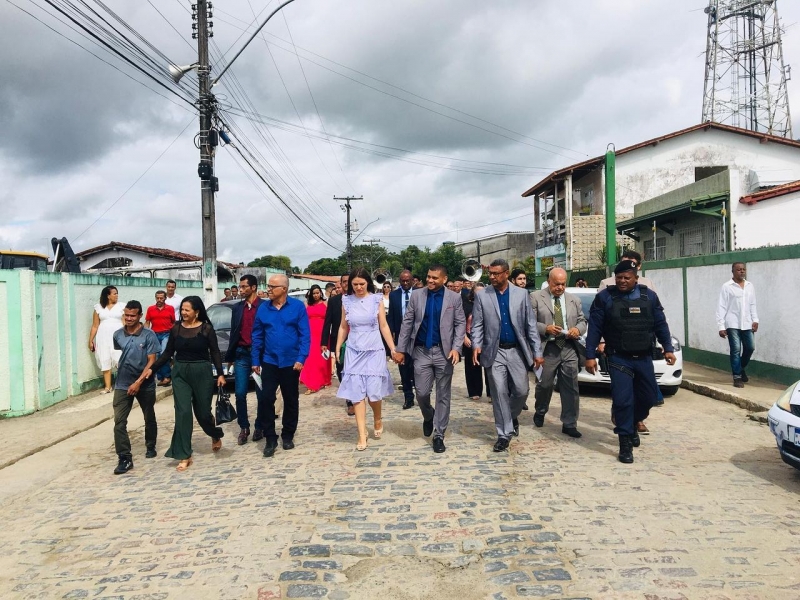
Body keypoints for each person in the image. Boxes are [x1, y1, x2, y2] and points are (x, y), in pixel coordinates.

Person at [585, 260, 676, 464]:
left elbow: (660, 324)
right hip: (618, 357)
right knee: (622, 400)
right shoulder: (605, 297)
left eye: (627, 278)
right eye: (619, 278)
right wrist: (590, 356)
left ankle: (633, 421)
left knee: (650, 397)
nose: (622, 281)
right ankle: (625, 441)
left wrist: (668, 348)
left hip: (643, 357)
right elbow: (595, 328)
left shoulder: (649, 297)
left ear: (636, 278)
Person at [146, 296, 226, 472]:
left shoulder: (206, 329)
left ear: (196, 311)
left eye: (187, 310)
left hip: (202, 372)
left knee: (203, 413)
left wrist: (220, 374)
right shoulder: (176, 328)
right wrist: (152, 369)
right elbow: (167, 353)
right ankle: (184, 454)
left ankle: (214, 434)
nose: (183, 312)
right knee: (182, 412)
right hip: (180, 373)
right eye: (182, 309)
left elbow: (214, 352)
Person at [471, 259, 544, 452]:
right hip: (494, 351)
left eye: (496, 273)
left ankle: (510, 416)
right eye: (490, 273)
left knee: (521, 390)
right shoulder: (482, 296)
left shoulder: (521, 294)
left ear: (506, 273)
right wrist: (476, 345)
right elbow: (477, 324)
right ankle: (504, 434)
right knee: (499, 392)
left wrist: (537, 352)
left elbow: (530, 325)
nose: (492, 277)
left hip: (516, 351)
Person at [394, 265, 466, 453]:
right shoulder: (417, 296)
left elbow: (460, 324)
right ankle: (428, 415)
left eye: (435, 278)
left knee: (443, 394)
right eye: (428, 277)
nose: (430, 280)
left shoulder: (454, 298)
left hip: (445, 353)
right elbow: (407, 323)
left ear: (444, 279)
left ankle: (439, 434)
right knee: (421, 392)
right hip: (421, 352)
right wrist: (400, 349)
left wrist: (456, 348)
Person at [599, 249, 664, 426]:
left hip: (642, 348)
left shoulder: (648, 287)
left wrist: (664, 343)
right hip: (618, 348)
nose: (623, 280)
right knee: (622, 392)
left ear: (637, 269)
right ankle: (625, 427)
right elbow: (600, 319)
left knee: (647, 393)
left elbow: (657, 317)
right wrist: (601, 342)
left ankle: (636, 418)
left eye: (631, 263)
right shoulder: (607, 286)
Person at [336, 268, 396, 451]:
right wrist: (337, 347)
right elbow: (343, 326)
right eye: (355, 284)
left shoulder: (376, 300)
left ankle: (377, 417)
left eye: (361, 284)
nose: (358, 287)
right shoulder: (346, 301)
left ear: (367, 283)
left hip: (374, 349)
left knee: (374, 392)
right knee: (356, 393)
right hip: (354, 349)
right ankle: (362, 433)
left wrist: (393, 348)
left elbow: (383, 326)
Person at [251, 274, 310, 458]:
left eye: (272, 286)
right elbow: (257, 335)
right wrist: (255, 360)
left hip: (291, 363)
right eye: (268, 286)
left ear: (283, 289)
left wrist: (301, 358)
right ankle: (270, 438)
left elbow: (305, 335)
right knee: (266, 399)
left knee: (291, 399)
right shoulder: (263, 308)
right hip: (269, 361)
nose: (268, 289)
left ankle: (288, 435)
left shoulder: (297, 307)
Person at [530, 268, 587, 438]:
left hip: (569, 347)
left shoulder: (574, 300)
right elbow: (529, 322)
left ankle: (569, 423)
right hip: (548, 347)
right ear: (549, 281)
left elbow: (582, 321)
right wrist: (545, 328)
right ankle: (540, 410)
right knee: (545, 384)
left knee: (570, 386)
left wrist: (578, 329)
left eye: (563, 284)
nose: (560, 287)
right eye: (556, 284)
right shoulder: (535, 297)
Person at [111, 300, 161, 475]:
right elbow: (121, 353)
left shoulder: (149, 335)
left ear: (140, 316)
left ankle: (150, 445)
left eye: (133, 315)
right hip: (122, 384)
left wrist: (138, 382)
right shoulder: (117, 334)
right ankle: (124, 457)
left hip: (144, 383)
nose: (129, 318)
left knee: (149, 415)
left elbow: (151, 361)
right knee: (119, 422)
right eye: (126, 315)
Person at [225, 275, 267, 445]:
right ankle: (244, 427)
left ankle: (259, 426)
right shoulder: (237, 308)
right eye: (240, 287)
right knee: (240, 393)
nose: (240, 290)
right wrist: (230, 356)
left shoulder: (265, 306)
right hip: (241, 353)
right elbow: (234, 332)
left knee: (261, 394)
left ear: (253, 287)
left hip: (261, 355)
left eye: (244, 287)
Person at [716, 262, 758, 388]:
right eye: (739, 269)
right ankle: (737, 376)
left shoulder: (750, 286)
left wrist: (755, 320)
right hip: (732, 323)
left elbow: (752, 304)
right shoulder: (727, 286)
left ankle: (740, 368)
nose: (742, 271)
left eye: (744, 269)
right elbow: (721, 307)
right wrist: (721, 326)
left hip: (747, 323)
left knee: (750, 347)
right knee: (736, 350)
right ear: (733, 271)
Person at [322, 273, 352, 414]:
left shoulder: (359, 298)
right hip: (338, 340)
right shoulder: (334, 301)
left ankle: (354, 398)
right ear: (341, 283)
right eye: (344, 281)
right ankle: (349, 398)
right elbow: (327, 322)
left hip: (356, 339)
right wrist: (324, 342)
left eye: (348, 281)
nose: (346, 283)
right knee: (341, 369)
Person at [387, 270, 416, 410]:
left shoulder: (419, 293)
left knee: (417, 367)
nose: (405, 283)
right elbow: (391, 316)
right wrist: (392, 337)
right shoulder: (394, 295)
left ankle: (422, 393)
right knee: (403, 368)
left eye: (407, 280)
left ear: (412, 280)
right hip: (401, 336)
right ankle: (408, 397)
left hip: (417, 336)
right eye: (403, 281)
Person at [88, 285, 124, 393]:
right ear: (108, 296)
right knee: (105, 359)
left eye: (117, 293)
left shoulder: (122, 306)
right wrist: (90, 340)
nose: (117, 295)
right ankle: (108, 387)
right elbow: (95, 325)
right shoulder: (98, 308)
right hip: (103, 337)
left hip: (118, 336)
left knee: (120, 359)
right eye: (114, 293)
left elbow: (125, 322)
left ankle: (123, 384)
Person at [300, 285, 332, 395]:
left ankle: (324, 379)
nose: (316, 295)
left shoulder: (326, 303)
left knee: (322, 359)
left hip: (323, 334)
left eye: (317, 293)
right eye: (314, 293)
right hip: (310, 334)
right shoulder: (306, 304)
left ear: (321, 293)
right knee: (310, 359)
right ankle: (312, 384)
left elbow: (330, 319)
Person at [463, 283, 491, 401]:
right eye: (477, 291)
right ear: (473, 292)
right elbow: (460, 321)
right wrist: (464, 337)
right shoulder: (466, 305)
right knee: (472, 365)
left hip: (486, 338)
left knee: (489, 366)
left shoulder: (489, 304)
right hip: (470, 336)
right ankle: (474, 391)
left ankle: (491, 393)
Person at [145, 290, 176, 386]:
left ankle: (167, 376)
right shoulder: (150, 309)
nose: (159, 300)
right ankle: (160, 377)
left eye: (161, 298)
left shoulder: (170, 308)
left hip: (167, 334)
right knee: (156, 356)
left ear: (165, 298)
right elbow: (147, 322)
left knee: (163, 353)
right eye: (157, 298)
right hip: (154, 334)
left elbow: (173, 322)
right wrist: (145, 334)